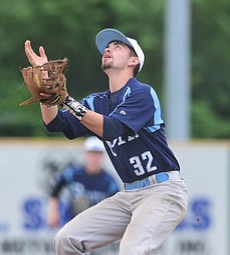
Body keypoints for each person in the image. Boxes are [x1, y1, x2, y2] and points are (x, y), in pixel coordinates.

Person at [24, 28, 188, 255]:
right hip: (129, 195)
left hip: (162, 191)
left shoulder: (142, 93)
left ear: (134, 61)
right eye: (107, 47)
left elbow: (113, 129)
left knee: (132, 249)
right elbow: (56, 124)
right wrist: (46, 91)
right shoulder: (97, 101)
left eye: (117, 46)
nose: (108, 49)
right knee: (66, 239)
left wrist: (67, 100)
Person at [47, 136, 120, 228]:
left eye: (97, 154)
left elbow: (117, 205)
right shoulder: (73, 174)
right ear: (85, 155)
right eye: (91, 154)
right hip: (73, 223)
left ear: (103, 156)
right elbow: (55, 191)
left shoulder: (110, 181)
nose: (94, 158)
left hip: (98, 227)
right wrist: (53, 212)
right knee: (79, 202)